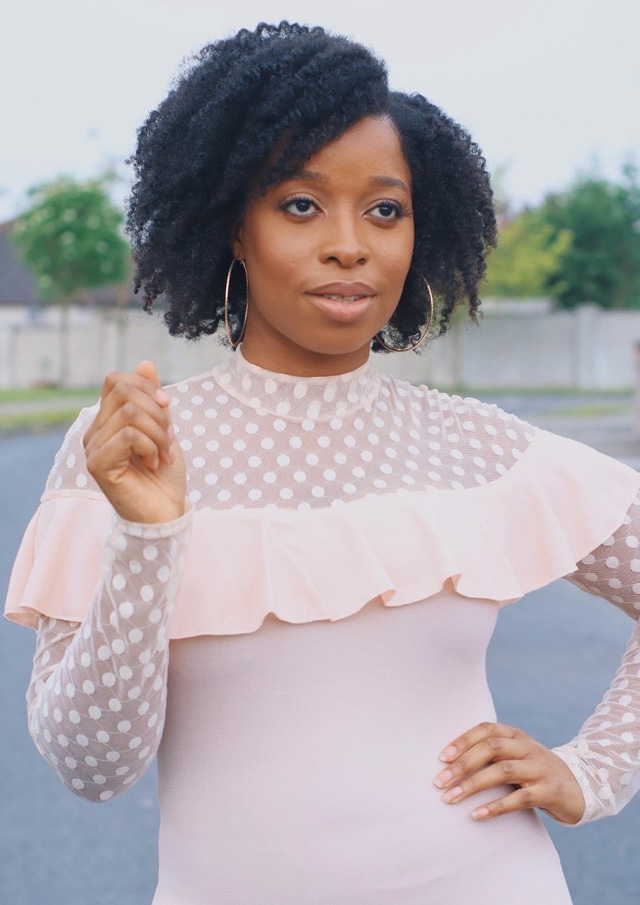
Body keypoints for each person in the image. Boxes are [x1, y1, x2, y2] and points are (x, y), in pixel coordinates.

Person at [4, 20, 640, 905]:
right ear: (232, 225)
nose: (351, 243)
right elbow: (93, 764)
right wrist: (150, 538)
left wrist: (594, 768)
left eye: (385, 208)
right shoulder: (128, 450)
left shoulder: (480, 446)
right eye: (301, 204)